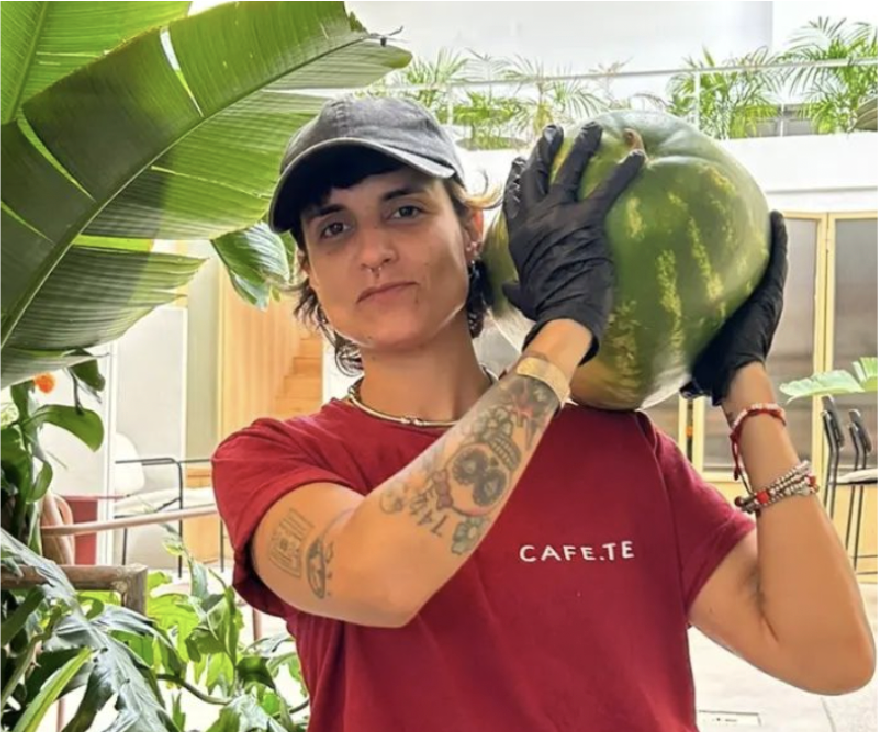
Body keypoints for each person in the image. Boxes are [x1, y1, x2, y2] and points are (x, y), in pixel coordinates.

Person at [211, 96, 874, 731]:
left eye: (405, 209)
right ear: (312, 272)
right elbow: (378, 579)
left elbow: (831, 656)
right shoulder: (274, 458)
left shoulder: (621, 450)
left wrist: (745, 386)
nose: (373, 251)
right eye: (334, 228)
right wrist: (564, 332)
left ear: (471, 230)